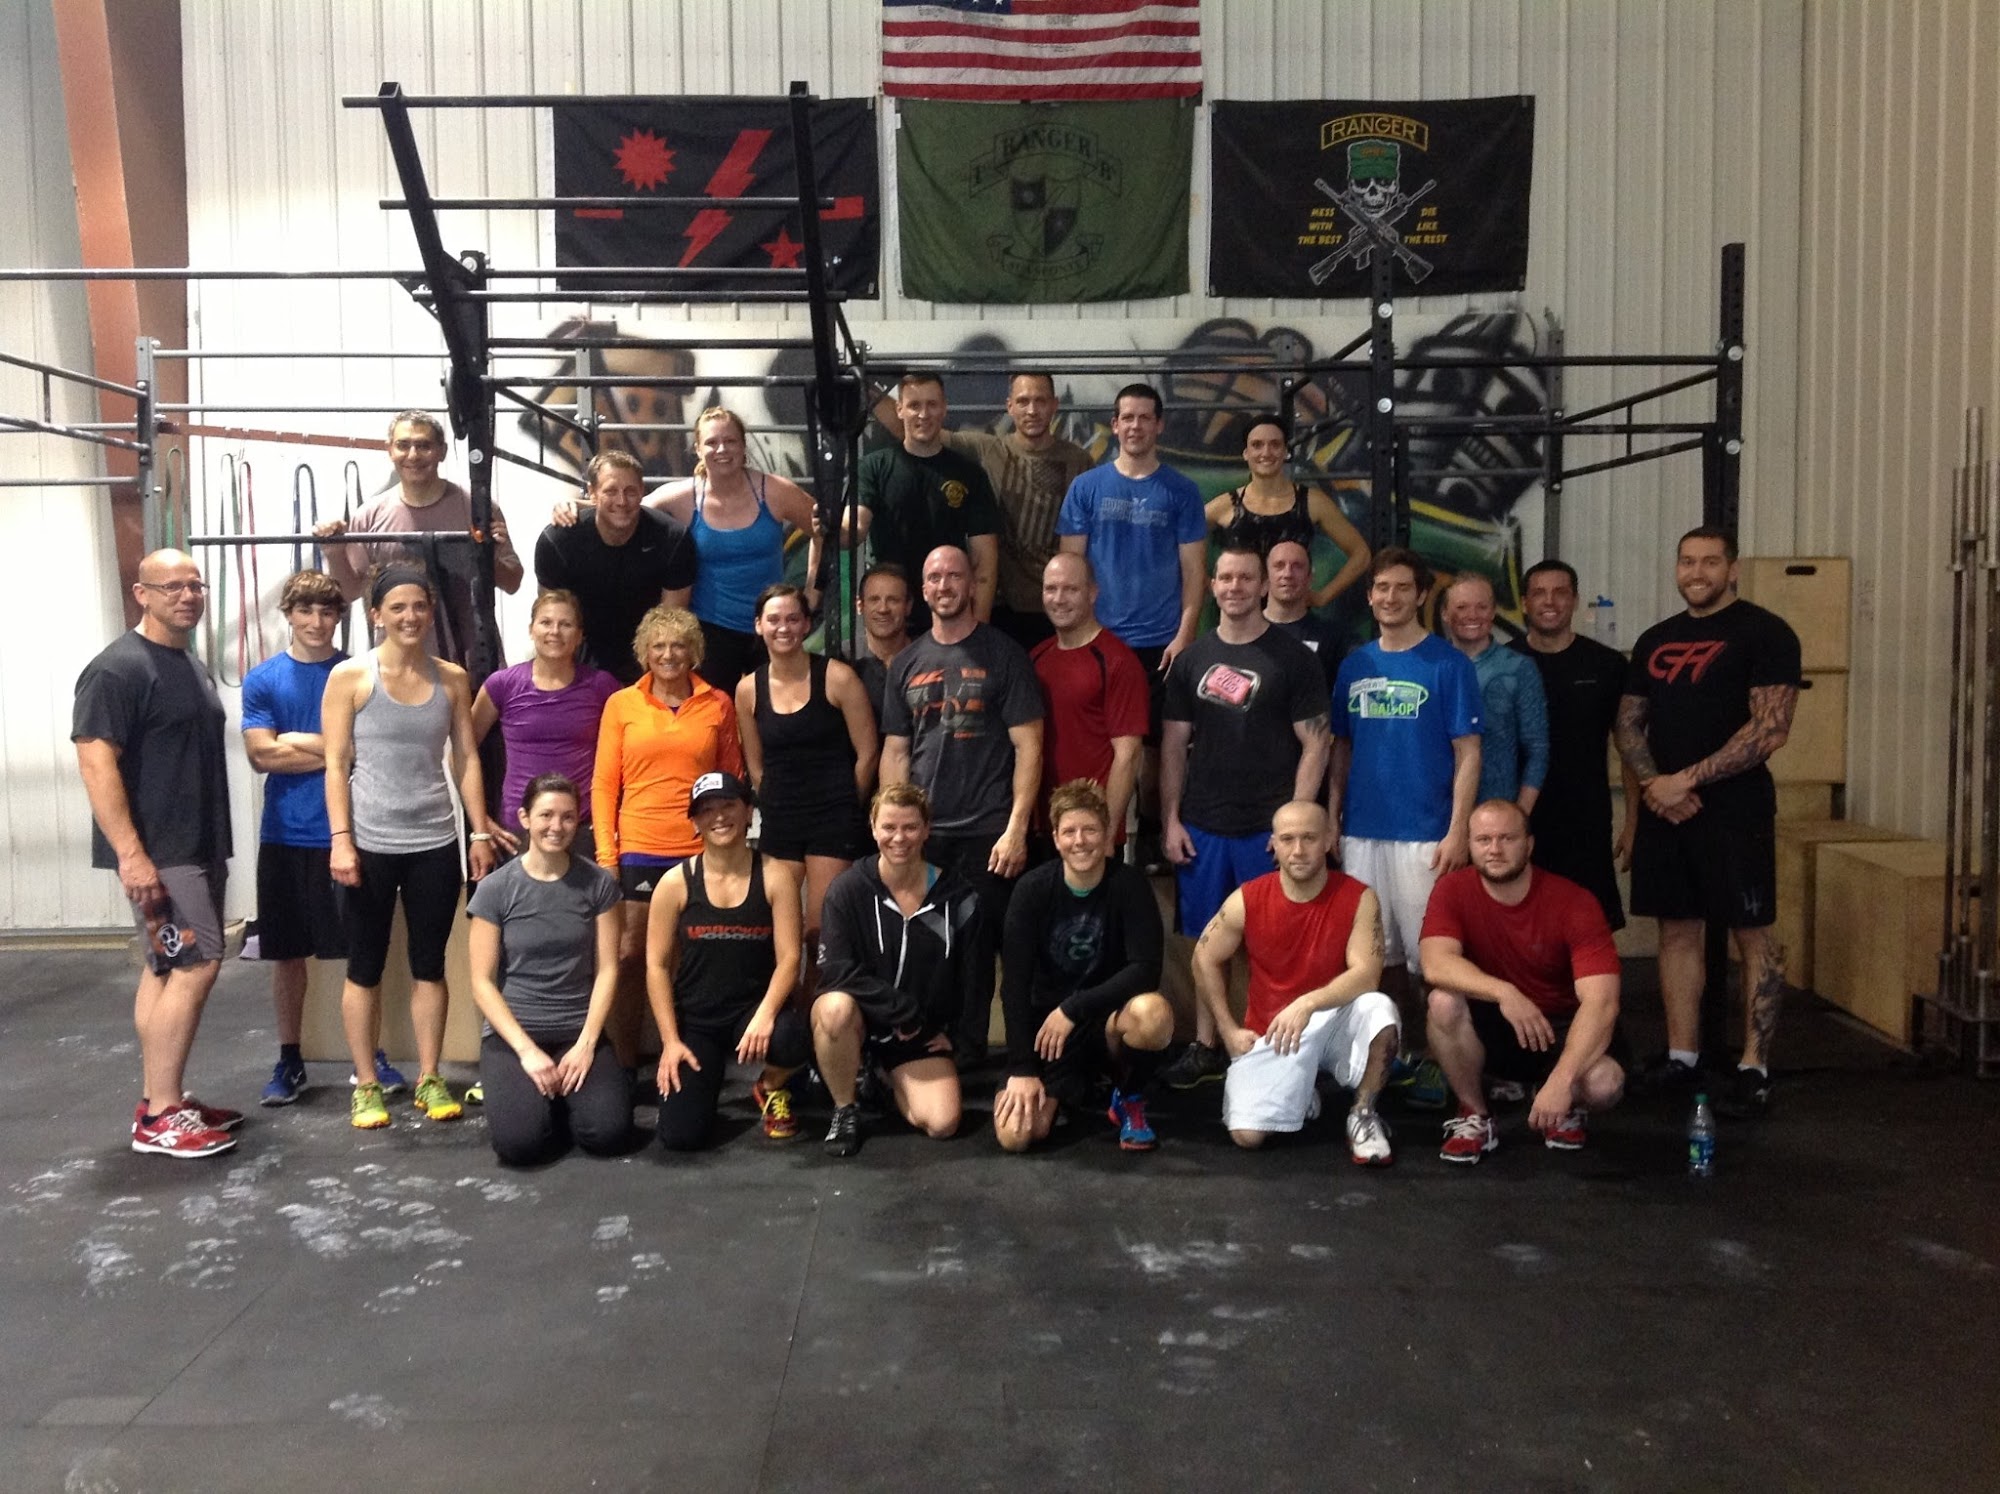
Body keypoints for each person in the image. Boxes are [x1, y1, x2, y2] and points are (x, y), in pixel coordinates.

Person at [1617, 526, 1801, 1118]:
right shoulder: (1656, 639)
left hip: (1735, 810)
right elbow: (1629, 723)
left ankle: (1753, 1066)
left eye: (1710, 562)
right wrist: (1656, 785)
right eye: (1688, 561)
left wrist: (1686, 780)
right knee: (1677, 929)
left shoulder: (1766, 633)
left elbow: (1769, 729)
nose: (1697, 572)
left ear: (1733, 569)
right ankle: (1683, 1055)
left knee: (1753, 933)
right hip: (1665, 807)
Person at [74, 548, 241, 1158]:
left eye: (195, 585)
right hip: (161, 850)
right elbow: (95, 762)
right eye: (172, 587)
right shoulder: (116, 669)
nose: (187, 596)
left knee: (167, 967)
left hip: (197, 842)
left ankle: (157, 1099)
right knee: (198, 962)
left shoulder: (186, 663)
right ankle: (164, 1118)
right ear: (141, 594)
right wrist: (132, 855)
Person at [323, 565, 498, 1131]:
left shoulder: (451, 678)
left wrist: (478, 831)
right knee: (364, 967)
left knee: (429, 965)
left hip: (435, 841)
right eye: (397, 607)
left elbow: (465, 757)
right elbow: (335, 764)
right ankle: (366, 1085)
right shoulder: (350, 677)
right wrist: (341, 840)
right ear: (376, 614)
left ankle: (429, 1076)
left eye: (419, 606)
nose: (410, 616)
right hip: (368, 841)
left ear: (430, 611)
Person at [1158, 546, 1331, 1088]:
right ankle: (1207, 1045)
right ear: (1212, 586)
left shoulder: (1294, 659)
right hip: (1203, 826)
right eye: (1226, 578)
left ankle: (1277, 1046)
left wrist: (1293, 827)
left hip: (1267, 830)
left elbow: (1317, 744)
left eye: (1245, 578)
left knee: (1275, 943)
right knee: (1207, 944)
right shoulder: (1191, 660)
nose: (1234, 587)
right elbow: (1172, 745)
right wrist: (1170, 819)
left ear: (1263, 586)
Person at [880, 545, 1044, 1066]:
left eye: (954, 575)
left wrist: (1016, 828)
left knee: (982, 944)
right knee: (927, 943)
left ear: (972, 585)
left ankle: (979, 1051)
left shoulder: (1004, 654)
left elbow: (1029, 745)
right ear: (923, 590)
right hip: (925, 835)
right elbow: (896, 751)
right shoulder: (905, 663)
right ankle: (926, 1045)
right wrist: (891, 828)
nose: (944, 585)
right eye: (934, 577)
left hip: (988, 830)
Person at [1191, 801, 1399, 1165]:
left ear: (1329, 840)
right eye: (1287, 839)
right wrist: (1227, 1030)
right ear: (1273, 844)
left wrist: (1307, 1003)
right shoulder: (1247, 898)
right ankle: (1301, 1092)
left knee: (1379, 1009)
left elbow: (1366, 974)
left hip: (1333, 1017)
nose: (1298, 850)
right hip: (1275, 1031)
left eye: (1309, 838)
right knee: (1247, 1136)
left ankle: (1363, 1113)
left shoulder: (1359, 897)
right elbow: (1203, 957)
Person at [1420, 800, 1627, 1163]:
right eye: (1483, 840)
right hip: (1498, 1021)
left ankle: (1561, 1104)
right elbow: (1436, 964)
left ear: (1529, 845)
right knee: (1442, 1002)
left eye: (1507, 838)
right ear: (1470, 845)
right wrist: (1505, 992)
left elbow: (1602, 1002)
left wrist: (1562, 1081)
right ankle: (1475, 1115)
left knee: (1604, 1084)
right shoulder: (1451, 889)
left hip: (1560, 1027)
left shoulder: (1575, 902)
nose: (1494, 849)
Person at [1056, 382, 1207, 864]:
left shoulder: (1182, 491)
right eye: (1127, 417)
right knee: (1105, 749)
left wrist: (1184, 636)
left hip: (1161, 644)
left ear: (1159, 425)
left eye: (1145, 417)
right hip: (1100, 643)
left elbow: (1194, 572)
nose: (1135, 425)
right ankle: (1102, 839)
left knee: (1158, 748)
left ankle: (1152, 840)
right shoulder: (1087, 488)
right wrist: (1078, 638)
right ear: (1115, 424)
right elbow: (1070, 568)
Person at [1328, 548, 1483, 1006]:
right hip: (1361, 833)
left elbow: (1469, 753)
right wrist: (1333, 818)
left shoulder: (1449, 664)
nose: (1390, 597)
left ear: (1420, 596)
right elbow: (1341, 747)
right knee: (1376, 959)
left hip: (1426, 836)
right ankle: (1392, 1045)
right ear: (1369, 596)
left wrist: (1458, 831)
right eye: (1382, 588)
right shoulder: (1355, 665)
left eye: (1402, 588)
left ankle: (1443, 1046)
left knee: (1433, 961)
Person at [592, 604, 744, 1067]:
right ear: (645, 652)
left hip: (700, 850)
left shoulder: (718, 703)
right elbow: (604, 784)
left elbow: (732, 780)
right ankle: (624, 1064)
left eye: (678, 645)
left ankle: (684, 1061)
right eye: (658, 645)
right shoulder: (622, 704)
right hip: (639, 847)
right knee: (630, 956)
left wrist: (733, 849)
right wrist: (607, 855)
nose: (669, 654)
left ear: (693, 651)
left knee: (690, 959)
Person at [995, 781, 1172, 1154]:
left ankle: (1129, 1097)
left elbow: (1146, 970)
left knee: (1153, 1014)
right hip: (1049, 1032)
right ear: (1056, 839)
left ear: (1107, 834)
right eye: (1070, 831)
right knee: (1016, 1137)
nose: (1080, 841)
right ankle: (1067, 1092)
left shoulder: (1129, 885)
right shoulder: (1032, 890)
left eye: (1090, 830)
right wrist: (1022, 1068)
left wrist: (1073, 1008)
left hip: (1102, 1022)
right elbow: (1014, 985)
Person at [466, 774, 633, 1165]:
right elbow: (481, 982)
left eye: (567, 817)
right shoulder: (495, 889)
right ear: (525, 818)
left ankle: (561, 1097)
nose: (556, 826)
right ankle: (541, 1099)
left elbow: (608, 970)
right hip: (515, 1037)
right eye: (546, 815)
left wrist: (587, 1044)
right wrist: (527, 1052)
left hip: (578, 1032)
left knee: (608, 1135)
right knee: (521, 1146)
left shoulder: (598, 884)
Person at [644, 771, 811, 1149]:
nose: (719, 816)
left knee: (793, 1038)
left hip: (752, 1014)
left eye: (728, 805)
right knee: (681, 1137)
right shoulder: (675, 883)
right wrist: (670, 1041)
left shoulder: (775, 875)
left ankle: (771, 1085)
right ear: (695, 821)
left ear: (748, 811)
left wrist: (766, 1014)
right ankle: (706, 1082)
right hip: (698, 1021)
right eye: (707, 810)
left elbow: (790, 958)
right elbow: (656, 966)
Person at [812, 783, 980, 1158]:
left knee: (943, 1123)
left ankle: (882, 1079)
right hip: (865, 1022)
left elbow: (975, 974)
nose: (899, 838)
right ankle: (845, 1109)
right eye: (888, 827)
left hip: (917, 1033)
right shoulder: (847, 890)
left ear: (926, 829)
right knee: (833, 1008)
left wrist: (965, 1039)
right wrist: (903, 1011)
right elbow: (836, 971)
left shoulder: (957, 896)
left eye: (910, 827)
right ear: (873, 829)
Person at [239, 569, 349, 1107]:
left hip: (345, 833)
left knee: (359, 953)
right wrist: (332, 748)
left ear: (338, 617)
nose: (316, 621)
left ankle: (370, 1054)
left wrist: (299, 739)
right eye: (305, 610)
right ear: (288, 615)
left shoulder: (355, 674)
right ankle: (290, 1058)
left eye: (326, 612)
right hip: (284, 834)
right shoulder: (264, 679)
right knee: (286, 956)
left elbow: (363, 752)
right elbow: (261, 755)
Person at [316, 411, 524, 678]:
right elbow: (349, 592)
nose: (413, 455)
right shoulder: (369, 516)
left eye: (424, 445)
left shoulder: (478, 509)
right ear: (390, 450)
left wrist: (487, 556)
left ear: (442, 451)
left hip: (473, 662)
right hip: (399, 668)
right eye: (403, 445)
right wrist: (334, 554)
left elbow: (512, 582)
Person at [737, 583, 879, 973]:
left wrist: (848, 804)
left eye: (792, 619)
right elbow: (754, 763)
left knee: (819, 933)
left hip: (833, 816)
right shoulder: (747, 689)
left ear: (806, 625)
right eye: (774, 620)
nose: (783, 628)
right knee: (775, 932)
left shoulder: (838, 677)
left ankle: (813, 1006)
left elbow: (868, 753)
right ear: (759, 626)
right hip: (781, 818)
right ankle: (779, 1008)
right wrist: (772, 801)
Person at [645, 407, 823, 695]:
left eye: (730, 441)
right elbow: (622, 510)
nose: (722, 449)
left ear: (743, 446)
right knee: (715, 713)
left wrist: (812, 591)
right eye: (711, 442)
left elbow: (824, 529)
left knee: (775, 710)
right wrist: (575, 507)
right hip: (710, 630)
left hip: (772, 627)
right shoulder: (682, 497)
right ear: (697, 449)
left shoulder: (774, 491)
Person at [1510, 559, 1640, 929]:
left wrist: (1633, 822)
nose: (1550, 601)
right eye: (1539, 593)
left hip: (1586, 822)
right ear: (1525, 603)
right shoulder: (1504, 663)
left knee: (1588, 928)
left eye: (1560, 592)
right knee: (1522, 928)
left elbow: (1630, 747)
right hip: (1520, 820)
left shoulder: (1607, 665)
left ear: (1575, 600)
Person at [941, 370, 1095, 651]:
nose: (1032, 410)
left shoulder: (1080, 462)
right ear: (1009, 406)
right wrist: (872, 391)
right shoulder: (987, 450)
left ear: (1054, 405)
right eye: (1023, 401)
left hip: (1055, 608)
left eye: (1040, 401)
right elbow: (918, 430)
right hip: (998, 607)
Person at [471, 590, 620, 850]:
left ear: (579, 635)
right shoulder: (502, 684)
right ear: (531, 629)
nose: (555, 631)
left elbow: (628, 754)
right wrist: (482, 823)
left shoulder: (602, 686)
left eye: (566, 624)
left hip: (582, 827)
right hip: (519, 829)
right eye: (546, 622)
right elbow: (461, 753)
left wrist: (614, 817)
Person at [853, 373, 1003, 631]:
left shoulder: (970, 474)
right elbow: (855, 527)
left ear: (944, 409)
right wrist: (831, 527)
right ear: (899, 409)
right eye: (914, 405)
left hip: (949, 615)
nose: (923, 414)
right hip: (891, 616)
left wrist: (979, 630)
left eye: (932, 404)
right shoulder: (873, 467)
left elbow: (985, 560)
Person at [533, 450, 695, 686]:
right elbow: (552, 617)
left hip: (648, 657)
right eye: (610, 491)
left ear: (642, 491)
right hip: (581, 658)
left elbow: (671, 622)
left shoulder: (672, 538)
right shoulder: (558, 540)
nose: (621, 501)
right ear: (592, 492)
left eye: (630, 491)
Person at [1029, 552, 1149, 849]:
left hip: (1091, 833)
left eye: (1071, 589)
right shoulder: (1036, 658)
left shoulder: (1118, 661)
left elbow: (1128, 755)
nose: (1059, 599)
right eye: (1051, 589)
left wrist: (1107, 833)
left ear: (1093, 593)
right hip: (1044, 827)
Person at [1205, 414, 1370, 606]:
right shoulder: (1223, 506)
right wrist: (1214, 587)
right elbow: (1185, 550)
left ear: (1285, 452)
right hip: (1240, 617)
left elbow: (1362, 554)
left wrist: (1323, 597)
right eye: (1257, 445)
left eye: (1275, 445)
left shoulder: (1312, 502)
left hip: (1293, 616)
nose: (1266, 452)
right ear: (1246, 453)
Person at [1441, 574, 1549, 809]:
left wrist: (1519, 814)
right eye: (1461, 607)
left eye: (1482, 607)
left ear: (1492, 612)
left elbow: (1537, 749)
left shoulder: (1518, 668)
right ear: (1445, 614)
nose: (1472, 615)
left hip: (1495, 813)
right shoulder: (1430, 666)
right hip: (1434, 812)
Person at [1265, 538, 1345, 693]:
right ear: (1266, 577)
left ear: (1310, 578)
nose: (1287, 574)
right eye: (1279, 565)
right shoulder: (1245, 633)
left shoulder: (1333, 639)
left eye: (1297, 566)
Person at [844, 561, 914, 727]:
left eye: (893, 600)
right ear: (860, 605)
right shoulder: (842, 659)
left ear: (908, 606)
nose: (883, 609)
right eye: (874, 600)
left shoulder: (926, 657)